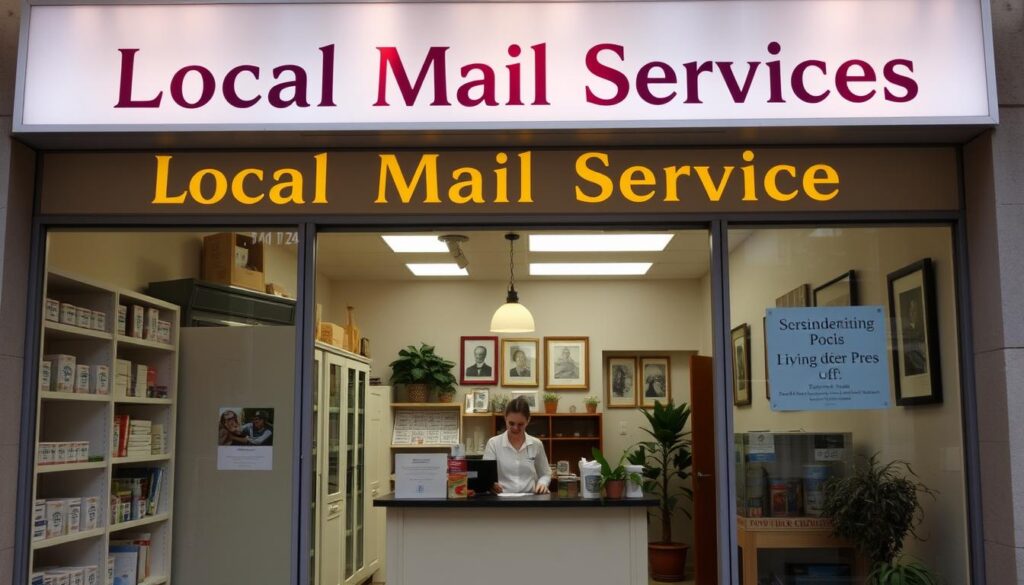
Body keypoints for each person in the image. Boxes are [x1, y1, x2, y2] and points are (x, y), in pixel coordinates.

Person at [483, 396, 551, 494]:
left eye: (520, 424)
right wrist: (491, 485)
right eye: (511, 423)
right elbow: (486, 477)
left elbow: (545, 474)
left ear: (528, 421)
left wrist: (542, 483)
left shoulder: (536, 444)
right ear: (505, 418)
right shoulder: (493, 443)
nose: (515, 428)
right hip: (502, 500)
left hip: (530, 500)